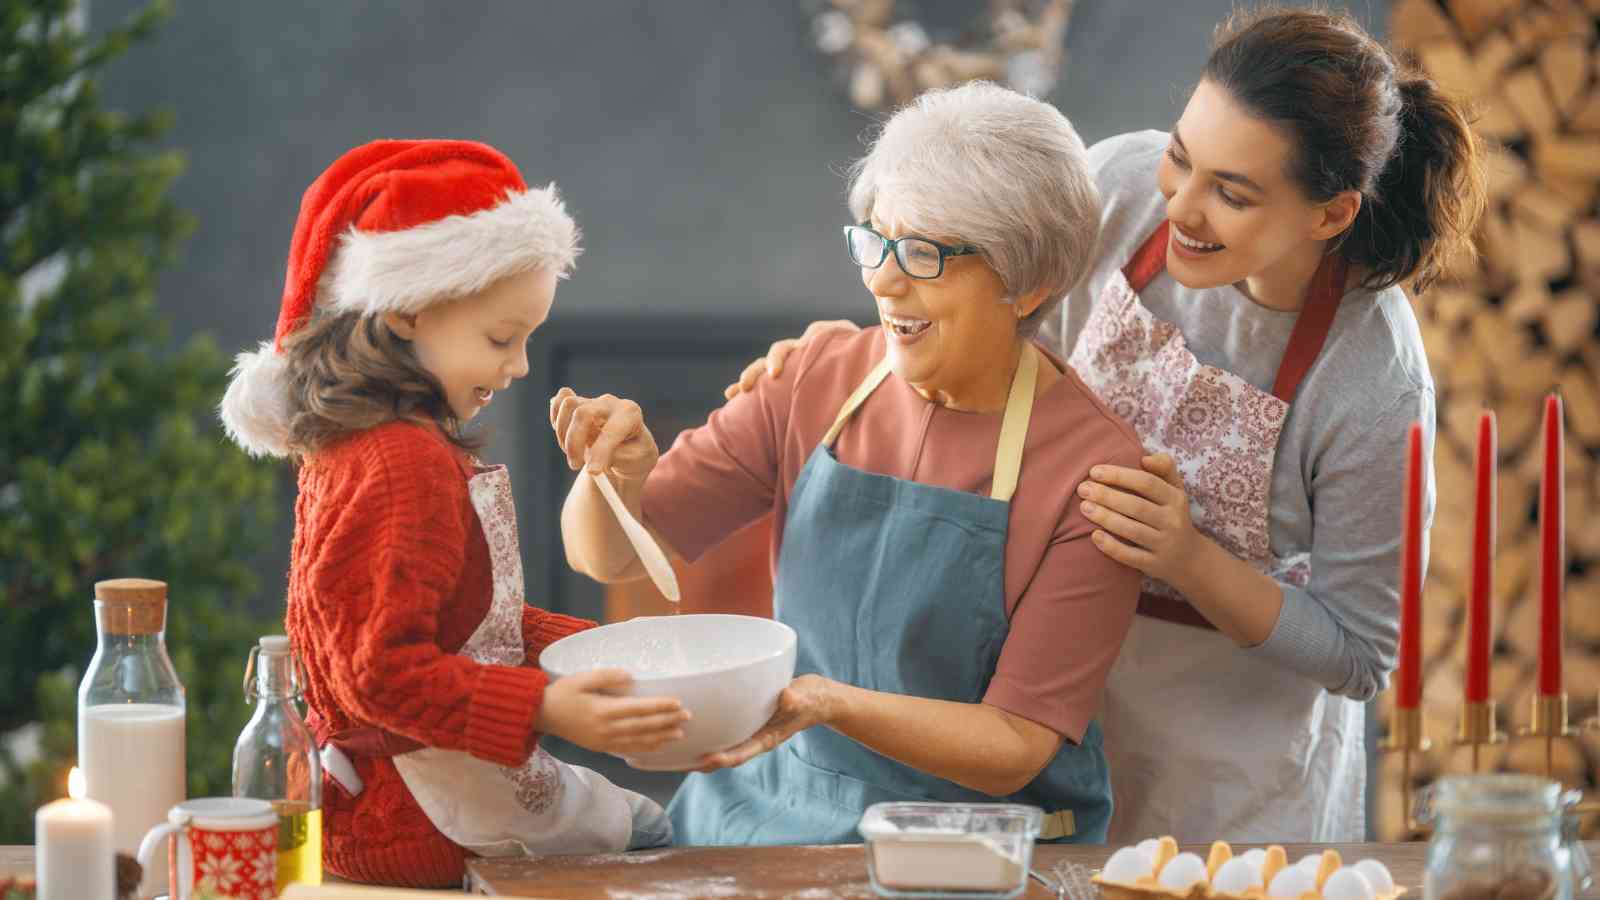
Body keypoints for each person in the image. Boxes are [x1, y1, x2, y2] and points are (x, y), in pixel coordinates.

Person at [727, 7, 1485, 842]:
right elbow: (977, 313)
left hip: (1231, 784)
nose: (1182, 209)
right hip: (1031, 736)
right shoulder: (1118, 188)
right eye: (1181, 158)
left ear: (1331, 215)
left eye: (1231, 193)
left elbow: (1359, 653)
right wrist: (849, 360)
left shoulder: (1372, 382)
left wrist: (1188, 557)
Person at [552, 82, 1143, 846]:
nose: (884, 280)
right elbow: (607, 557)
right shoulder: (815, 375)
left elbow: (1014, 747)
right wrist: (610, 476)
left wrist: (832, 705)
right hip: (763, 810)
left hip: (969, 845)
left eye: (926, 253)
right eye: (875, 239)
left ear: (1028, 282)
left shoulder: (1094, 473)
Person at [218, 140, 684, 887]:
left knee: (646, 821)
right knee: (660, 832)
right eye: (502, 338)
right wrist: (548, 707)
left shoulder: (384, 446)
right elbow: (380, 676)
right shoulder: (399, 465)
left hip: (408, 793)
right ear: (405, 309)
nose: (522, 365)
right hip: (416, 817)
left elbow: (470, 627)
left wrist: (605, 658)